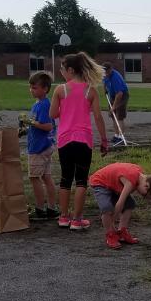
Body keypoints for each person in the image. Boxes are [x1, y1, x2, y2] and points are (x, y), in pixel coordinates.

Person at [50, 51, 109, 231]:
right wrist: (104, 140)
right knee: (81, 180)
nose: (61, 72)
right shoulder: (91, 91)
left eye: (62, 69)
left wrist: (65, 110)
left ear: (70, 70)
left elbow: (52, 114)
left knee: (65, 178)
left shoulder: (60, 90)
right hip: (83, 140)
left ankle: (63, 217)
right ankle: (77, 219)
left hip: (65, 139)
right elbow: (98, 117)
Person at [88, 162, 151, 249]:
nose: (141, 195)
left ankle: (121, 231)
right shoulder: (130, 182)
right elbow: (120, 203)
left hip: (113, 185)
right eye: (144, 195)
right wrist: (112, 220)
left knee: (130, 204)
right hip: (101, 182)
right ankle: (110, 234)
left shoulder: (140, 176)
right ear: (146, 186)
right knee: (106, 208)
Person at [25, 71, 59, 220]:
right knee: (46, 177)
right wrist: (26, 127)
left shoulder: (44, 105)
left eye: (35, 87)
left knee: (34, 177)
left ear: (45, 89)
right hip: (42, 145)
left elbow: (47, 126)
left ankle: (40, 209)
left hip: (39, 147)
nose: (31, 90)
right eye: (31, 87)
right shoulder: (38, 104)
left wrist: (30, 122)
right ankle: (51, 208)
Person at [102, 62, 130, 145]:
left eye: (107, 72)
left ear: (111, 69)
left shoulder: (115, 77)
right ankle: (116, 135)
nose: (105, 74)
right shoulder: (104, 74)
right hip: (113, 95)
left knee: (119, 116)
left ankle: (121, 137)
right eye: (104, 72)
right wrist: (105, 89)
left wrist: (114, 107)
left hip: (122, 95)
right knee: (113, 116)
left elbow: (120, 94)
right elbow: (104, 81)